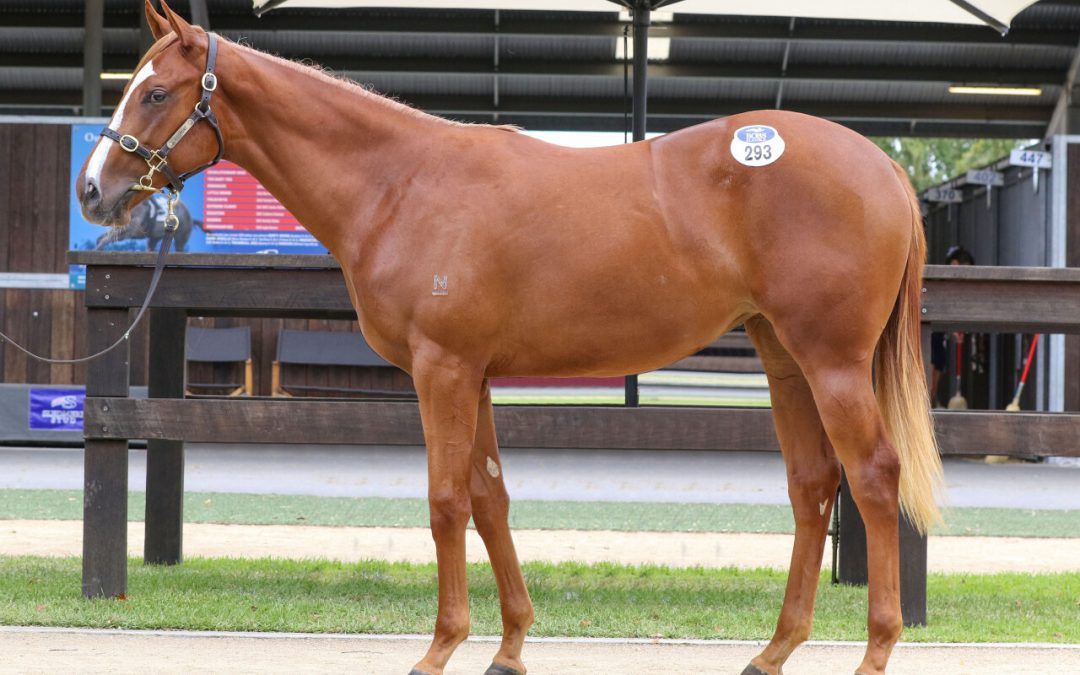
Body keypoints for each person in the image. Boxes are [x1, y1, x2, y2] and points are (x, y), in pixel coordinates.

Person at [930, 246, 974, 406]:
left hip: (939, 339)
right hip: (928, 337)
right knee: (928, 382)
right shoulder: (935, 286)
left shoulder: (967, 290)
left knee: (932, 386)